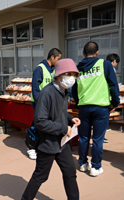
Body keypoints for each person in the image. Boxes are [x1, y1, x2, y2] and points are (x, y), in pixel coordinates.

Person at [22, 58, 80, 200]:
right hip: (47, 143)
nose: (71, 78)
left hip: (62, 142)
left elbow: (59, 112)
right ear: (59, 75)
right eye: (68, 74)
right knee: (40, 176)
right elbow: (40, 121)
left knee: (70, 172)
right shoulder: (47, 93)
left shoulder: (64, 91)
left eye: (74, 75)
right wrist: (62, 127)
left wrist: (70, 118)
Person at [72, 42, 120, 177]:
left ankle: (82, 164)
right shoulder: (105, 65)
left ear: (83, 53)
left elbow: (74, 90)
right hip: (101, 107)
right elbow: (113, 85)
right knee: (98, 139)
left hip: (84, 108)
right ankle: (95, 166)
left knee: (83, 137)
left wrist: (78, 103)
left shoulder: (78, 68)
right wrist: (115, 103)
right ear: (97, 52)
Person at [29, 48, 62, 160]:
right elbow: (35, 89)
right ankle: (31, 147)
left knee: (44, 127)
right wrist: (40, 104)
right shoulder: (40, 69)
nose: (58, 61)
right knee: (36, 125)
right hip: (40, 104)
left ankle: (40, 147)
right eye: (58, 58)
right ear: (52, 57)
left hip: (49, 104)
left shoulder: (52, 70)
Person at [104, 53, 121, 143]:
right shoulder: (110, 69)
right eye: (116, 63)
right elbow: (113, 85)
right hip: (104, 99)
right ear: (114, 61)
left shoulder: (99, 66)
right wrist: (115, 102)